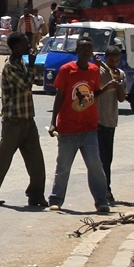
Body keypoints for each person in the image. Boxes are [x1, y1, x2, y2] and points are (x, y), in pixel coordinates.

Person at [0, 34, 47, 208]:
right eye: (24, 43)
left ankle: (36, 194)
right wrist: (33, 65)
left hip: (27, 120)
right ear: (16, 46)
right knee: (4, 158)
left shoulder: (21, 63)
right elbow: (25, 85)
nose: (27, 46)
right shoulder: (10, 67)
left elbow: (33, 82)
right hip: (13, 121)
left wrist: (31, 66)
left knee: (36, 160)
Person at [47, 34, 110, 213]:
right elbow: (59, 97)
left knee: (95, 166)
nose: (85, 52)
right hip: (68, 129)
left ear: (92, 52)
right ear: (77, 51)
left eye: (88, 50)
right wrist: (53, 122)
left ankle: (101, 200)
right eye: (82, 49)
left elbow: (93, 94)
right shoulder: (66, 70)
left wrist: (106, 89)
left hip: (89, 128)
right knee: (63, 167)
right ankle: (56, 199)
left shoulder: (93, 70)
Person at [96, 43, 130, 203]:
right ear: (105, 58)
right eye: (111, 61)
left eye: (117, 61)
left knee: (107, 159)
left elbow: (122, 98)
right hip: (97, 121)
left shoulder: (120, 74)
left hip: (111, 121)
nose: (114, 64)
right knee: (99, 158)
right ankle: (104, 191)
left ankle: (105, 188)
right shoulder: (98, 71)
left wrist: (118, 84)